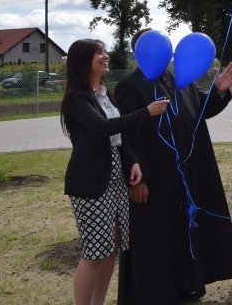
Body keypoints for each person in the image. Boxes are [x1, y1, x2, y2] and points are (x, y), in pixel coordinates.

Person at [115, 28, 232, 304]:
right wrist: (139, 178)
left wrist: (219, 91)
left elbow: (200, 111)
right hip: (154, 176)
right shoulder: (129, 85)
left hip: (186, 173)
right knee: (156, 236)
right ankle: (157, 292)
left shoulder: (178, 78)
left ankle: (187, 283)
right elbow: (127, 135)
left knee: (184, 231)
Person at [60, 39, 169, 305]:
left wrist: (132, 160)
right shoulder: (77, 98)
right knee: (95, 252)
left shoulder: (105, 94)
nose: (106, 56)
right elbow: (101, 128)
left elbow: (120, 135)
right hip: (91, 181)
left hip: (116, 177)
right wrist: (146, 112)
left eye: (105, 51)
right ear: (82, 60)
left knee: (111, 248)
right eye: (99, 52)